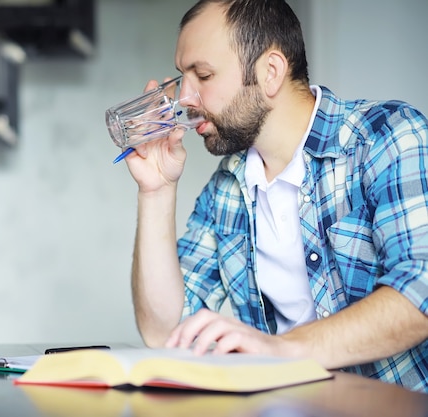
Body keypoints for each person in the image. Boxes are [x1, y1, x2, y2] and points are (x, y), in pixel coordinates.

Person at [122, 0, 428, 392]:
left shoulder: (389, 138)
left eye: (203, 74)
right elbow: (165, 331)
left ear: (270, 72)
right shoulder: (227, 189)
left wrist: (279, 350)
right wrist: (156, 190)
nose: (184, 98)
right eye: (183, 76)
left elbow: (419, 292)